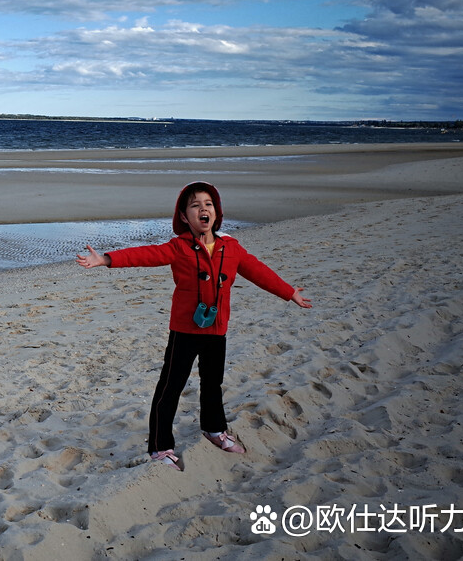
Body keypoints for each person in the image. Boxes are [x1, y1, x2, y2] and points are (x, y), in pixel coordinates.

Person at [76, 181, 311, 470]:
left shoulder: (231, 248)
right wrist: (107, 259)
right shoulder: (179, 247)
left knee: (213, 384)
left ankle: (214, 429)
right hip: (185, 331)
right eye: (195, 204)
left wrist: (289, 293)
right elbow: (146, 254)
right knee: (170, 386)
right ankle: (160, 447)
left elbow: (258, 271)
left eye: (208, 204)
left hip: (216, 330)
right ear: (185, 217)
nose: (203, 208)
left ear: (217, 213)